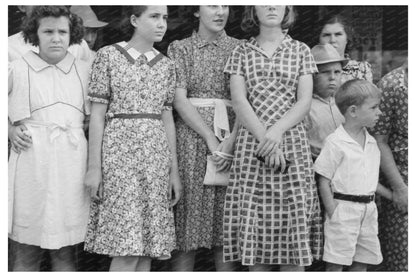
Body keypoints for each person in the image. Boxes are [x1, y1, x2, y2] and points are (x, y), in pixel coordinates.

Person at [223, 6, 323, 271]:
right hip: (253, 147)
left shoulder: (300, 50)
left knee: (292, 237)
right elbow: (239, 100)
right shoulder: (241, 51)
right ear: (252, 9)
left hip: (291, 144)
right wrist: (265, 140)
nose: (270, 6)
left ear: (288, 8)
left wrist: (276, 132)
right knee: (258, 249)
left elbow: (304, 102)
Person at [83, 6, 181, 271]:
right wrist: (94, 168)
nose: (162, 24)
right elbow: (97, 115)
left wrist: (173, 171)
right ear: (135, 20)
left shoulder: (166, 66)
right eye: (154, 16)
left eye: (165, 18)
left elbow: (167, 118)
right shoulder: (108, 56)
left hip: (155, 160)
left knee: (147, 248)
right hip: (119, 158)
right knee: (125, 246)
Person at [8, 6, 90, 271]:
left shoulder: (85, 70)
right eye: (48, 31)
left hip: (71, 164)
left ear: (72, 35)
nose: (56, 38)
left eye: (62, 32)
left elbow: (96, 117)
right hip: (32, 163)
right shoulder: (17, 68)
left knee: (65, 248)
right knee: (26, 245)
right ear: (35, 34)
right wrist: (8, 129)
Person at [167, 6, 241, 271]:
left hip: (231, 137)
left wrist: (230, 140)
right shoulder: (181, 48)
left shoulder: (240, 48)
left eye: (225, 5)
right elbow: (178, 98)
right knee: (187, 225)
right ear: (196, 11)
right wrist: (209, 136)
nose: (220, 11)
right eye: (212, 5)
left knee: (227, 229)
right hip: (191, 140)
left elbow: (245, 99)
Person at [314, 79, 393, 271]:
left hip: (368, 210)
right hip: (343, 210)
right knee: (336, 263)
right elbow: (323, 179)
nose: (379, 113)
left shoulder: (372, 143)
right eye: (374, 108)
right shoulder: (335, 142)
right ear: (353, 111)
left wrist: (393, 196)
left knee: (362, 262)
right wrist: (333, 210)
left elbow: (371, 181)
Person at [371, 60, 408, 271]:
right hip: (404, 182)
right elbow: (379, 140)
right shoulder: (392, 85)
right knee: (404, 259)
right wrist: (400, 189)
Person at [305, 43, 347, 158]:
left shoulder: (345, 103)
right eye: (325, 72)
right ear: (312, 75)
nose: (332, 77)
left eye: (337, 72)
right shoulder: (305, 107)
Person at [9, 5, 92, 63]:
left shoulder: (79, 46)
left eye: (62, 32)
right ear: (21, 5)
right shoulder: (7, 48)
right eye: (48, 32)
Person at [316, 13, 373, 84]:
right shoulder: (311, 68)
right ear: (318, 39)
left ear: (347, 39)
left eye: (338, 34)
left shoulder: (362, 69)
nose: (332, 40)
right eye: (326, 35)